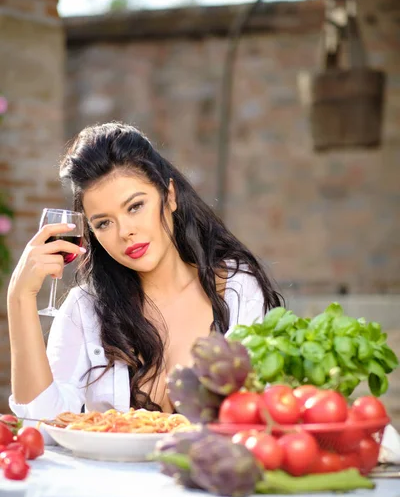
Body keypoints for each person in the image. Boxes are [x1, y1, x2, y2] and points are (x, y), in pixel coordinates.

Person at [7, 122, 283, 420]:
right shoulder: (85, 309)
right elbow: (41, 421)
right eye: (103, 223)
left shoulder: (236, 288)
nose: (125, 231)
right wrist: (19, 298)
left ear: (170, 195)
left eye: (135, 206)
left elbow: (254, 412)